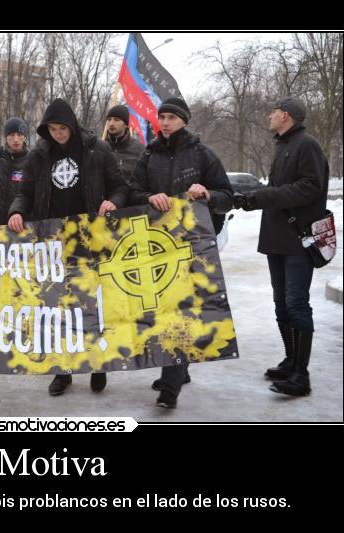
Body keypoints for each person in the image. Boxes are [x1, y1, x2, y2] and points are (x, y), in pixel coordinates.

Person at [7, 98, 129, 396]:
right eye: (52, 129)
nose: (58, 134)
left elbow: (120, 186)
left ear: (72, 126)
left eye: (63, 128)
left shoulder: (96, 150)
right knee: (57, 307)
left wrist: (114, 201)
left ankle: (97, 364)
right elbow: (26, 192)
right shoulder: (38, 155)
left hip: (91, 241)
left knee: (91, 305)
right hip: (53, 242)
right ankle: (63, 370)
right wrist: (16, 211)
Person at [129, 97, 234, 409]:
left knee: (183, 311)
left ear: (184, 121)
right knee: (163, 310)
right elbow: (132, 191)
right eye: (161, 117)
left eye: (171, 117)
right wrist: (150, 196)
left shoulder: (202, 154)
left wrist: (208, 194)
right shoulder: (149, 154)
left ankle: (170, 390)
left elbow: (227, 196)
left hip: (193, 246)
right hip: (157, 245)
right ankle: (178, 368)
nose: (165, 122)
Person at [233, 96, 329, 397]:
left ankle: (301, 376)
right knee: (281, 303)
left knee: (297, 303)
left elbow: (310, 187)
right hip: (278, 238)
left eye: (273, 112)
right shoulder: (283, 145)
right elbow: (277, 190)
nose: (270, 116)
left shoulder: (307, 145)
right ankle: (290, 361)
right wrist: (253, 199)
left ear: (285, 116)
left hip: (298, 239)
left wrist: (265, 197)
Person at [104, 105, 145, 181]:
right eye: (109, 119)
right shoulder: (100, 147)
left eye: (116, 120)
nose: (111, 123)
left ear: (125, 124)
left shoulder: (139, 149)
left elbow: (142, 180)